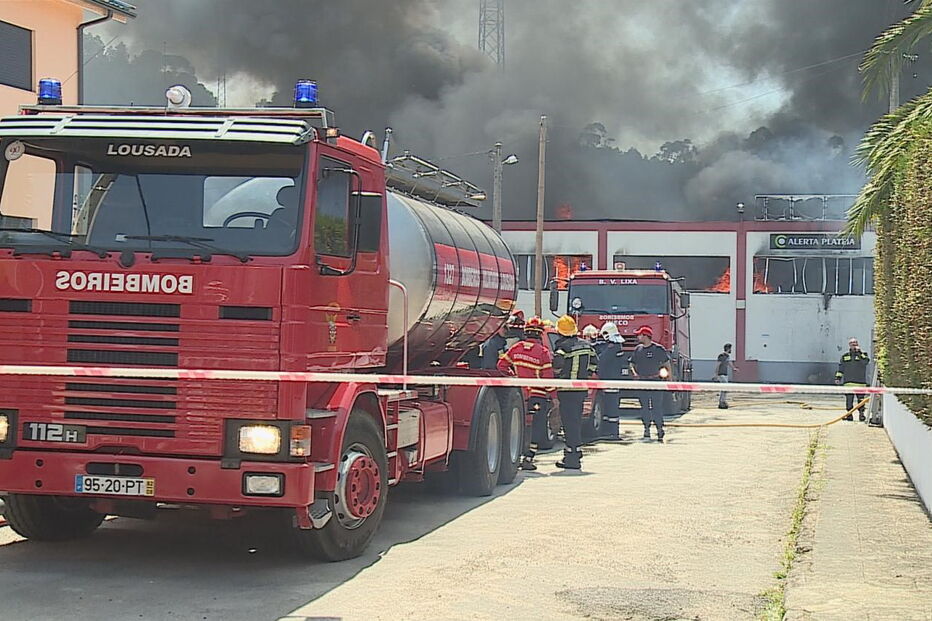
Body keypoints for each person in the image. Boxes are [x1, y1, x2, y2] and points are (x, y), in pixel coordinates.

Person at [497, 317, 554, 471]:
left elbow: (501, 365)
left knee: (518, 424)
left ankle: (515, 454)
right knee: (537, 426)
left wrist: (513, 377)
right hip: (538, 396)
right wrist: (554, 397)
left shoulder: (516, 348)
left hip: (519, 394)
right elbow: (548, 379)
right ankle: (528, 458)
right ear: (540, 334)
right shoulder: (543, 352)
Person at [552, 315, 598, 470]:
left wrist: (557, 376)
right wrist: (586, 375)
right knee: (576, 422)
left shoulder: (562, 347)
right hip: (581, 390)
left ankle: (572, 458)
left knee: (568, 424)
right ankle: (575, 453)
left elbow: (556, 367)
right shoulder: (586, 346)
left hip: (566, 390)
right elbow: (594, 363)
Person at [628, 325, 671, 442]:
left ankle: (659, 429)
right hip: (642, 381)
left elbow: (667, 363)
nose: (638, 337)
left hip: (656, 381)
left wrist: (669, 378)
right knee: (645, 407)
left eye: (640, 335)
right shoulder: (638, 349)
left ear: (646, 336)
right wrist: (634, 373)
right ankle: (646, 428)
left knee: (657, 407)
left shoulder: (658, 349)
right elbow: (632, 363)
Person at [597, 322, 625, 439]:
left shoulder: (613, 347)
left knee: (611, 407)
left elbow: (602, 360)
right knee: (608, 407)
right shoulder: (616, 346)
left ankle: (612, 432)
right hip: (611, 381)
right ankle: (609, 431)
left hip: (611, 382)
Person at [835, 337, 870, 421]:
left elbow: (865, 362)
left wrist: (859, 353)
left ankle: (861, 415)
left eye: (855, 343)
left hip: (860, 382)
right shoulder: (845, 356)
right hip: (848, 382)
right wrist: (838, 377)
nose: (854, 345)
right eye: (852, 344)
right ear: (849, 345)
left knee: (861, 400)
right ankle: (849, 415)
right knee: (849, 400)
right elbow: (841, 368)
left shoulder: (863, 354)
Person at [716, 343, 738, 409]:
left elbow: (729, 363)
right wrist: (716, 374)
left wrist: (734, 368)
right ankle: (721, 402)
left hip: (725, 374)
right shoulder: (721, 356)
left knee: (725, 388)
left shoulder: (727, 356)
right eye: (730, 348)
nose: (731, 350)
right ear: (728, 349)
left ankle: (723, 401)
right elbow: (718, 365)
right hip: (721, 374)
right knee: (724, 388)